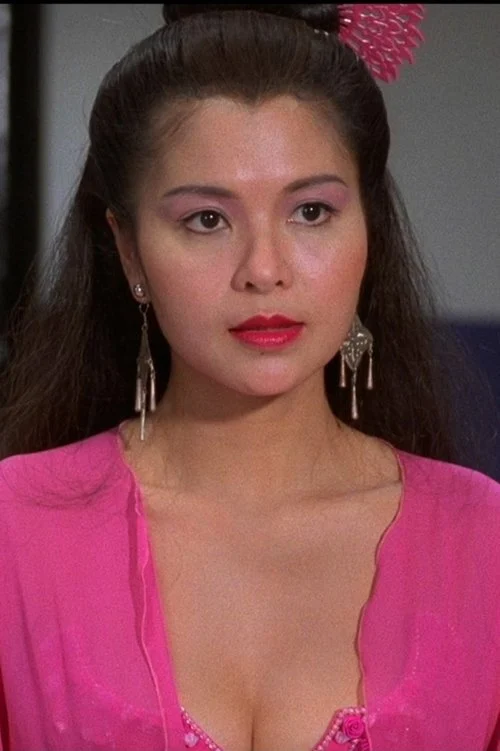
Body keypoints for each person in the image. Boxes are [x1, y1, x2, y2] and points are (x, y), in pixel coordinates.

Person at [0, 4, 499, 750]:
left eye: (311, 211)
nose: (265, 270)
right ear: (129, 250)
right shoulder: (15, 528)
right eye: (207, 220)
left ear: (369, 229)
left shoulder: (482, 540)